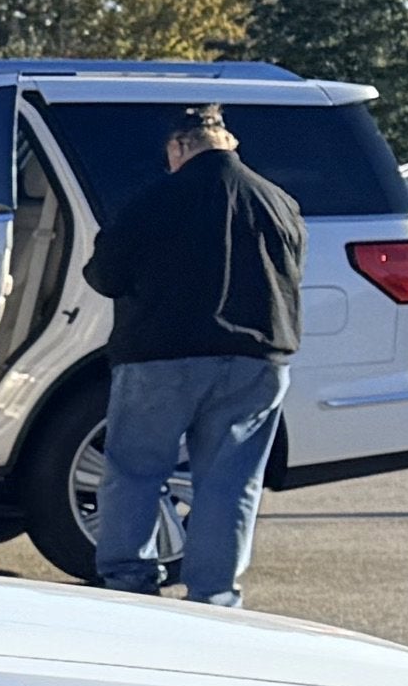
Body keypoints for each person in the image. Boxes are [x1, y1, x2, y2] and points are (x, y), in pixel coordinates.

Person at [78, 104, 309, 604]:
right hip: (257, 362)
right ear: (229, 142)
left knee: (136, 473)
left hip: (161, 358)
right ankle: (214, 596)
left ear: (180, 147)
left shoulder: (152, 200)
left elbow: (105, 276)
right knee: (231, 483)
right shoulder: (279, 202)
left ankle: (129, 583)